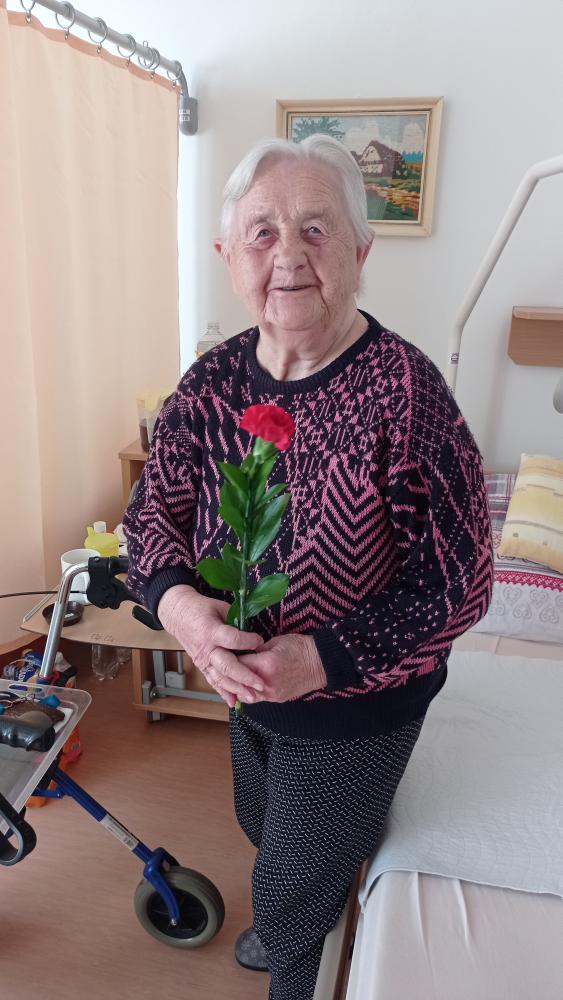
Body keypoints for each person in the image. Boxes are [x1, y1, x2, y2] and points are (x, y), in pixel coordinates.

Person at [123, 134, 493, 1000]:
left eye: (315, 230)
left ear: (359, 253)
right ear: (228, 256)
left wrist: (321, 659)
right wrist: (180, 610)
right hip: (241, 686)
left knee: (288, 884)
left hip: (355, 705)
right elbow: (151, 517)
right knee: (261, 823)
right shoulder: (211, 384)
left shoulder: (405, 394)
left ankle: (295, 952)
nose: (287, 255)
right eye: (261, 233)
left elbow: (463, 579)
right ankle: (306, 891)